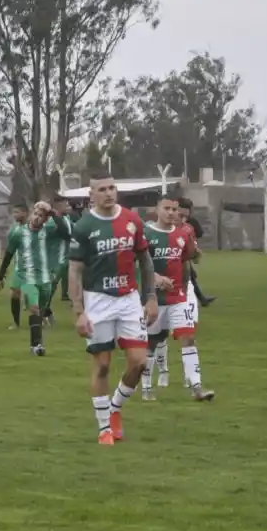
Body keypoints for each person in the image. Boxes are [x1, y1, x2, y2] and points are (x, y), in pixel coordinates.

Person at [68, 175, 158, 445]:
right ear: (91, 194)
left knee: (140, 363)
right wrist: (79, 311)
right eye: (102, 189)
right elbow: (74, 269)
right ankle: (104, 427)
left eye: (111, 188)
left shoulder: (132, 220)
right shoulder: (83, 226)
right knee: (103, 365)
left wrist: (151, 297)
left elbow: (145, 260)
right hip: (98, 301)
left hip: (129, 299)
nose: (108, 193)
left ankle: (115, 408)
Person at [141, 194, 215, 402]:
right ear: (158, 209)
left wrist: (184, 287)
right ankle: (146, 386)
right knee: (152, 343)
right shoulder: (146, 234)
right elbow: (135, 265)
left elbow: (184, 262)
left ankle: (197, 386)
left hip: (177, 298)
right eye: (167, 209)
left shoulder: (181, 235)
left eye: (175, 210)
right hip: (153, 299)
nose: (172, 213)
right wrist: (154, 278)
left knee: (188, 337)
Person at [0, 201, 70, 355]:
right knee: (34, 309)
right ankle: (36, 346)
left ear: (45, 219)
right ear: (31, 214)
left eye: (41, 216)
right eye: (35, 214)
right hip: (27, 278)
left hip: (45, 279)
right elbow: (9, 254)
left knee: (41, 312)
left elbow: (65, 234)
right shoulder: (18, 233)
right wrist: (1, 274)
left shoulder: (48, 231)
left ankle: (39, 336)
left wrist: (53, 213)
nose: (37, 218)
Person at [176, 198, 217, 306]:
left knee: (189, 276)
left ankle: (191, 299)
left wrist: (193, 249)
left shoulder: (191, 224)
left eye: (186, 215)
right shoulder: (168, 223)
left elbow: (198, 234)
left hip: (184, 256)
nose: (183, 219)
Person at [41, 196, 73, 324]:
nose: (68, 207)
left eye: (68, 205)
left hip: (67, 259)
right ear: (56, 207)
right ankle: (44, 313)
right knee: (50, 287)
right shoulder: (51, 223)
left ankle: (45, 312)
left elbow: (72, 233)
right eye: (65, 205)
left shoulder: (66, 219)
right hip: (55, 261)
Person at [5, 204, 29, 330]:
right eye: (14, 212)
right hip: (19, 268)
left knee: (33, 297)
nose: (15, 215)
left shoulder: (32, 228)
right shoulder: (14, 229)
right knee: (14, 294)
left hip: (32, 268)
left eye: (17, 212)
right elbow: (10, 249)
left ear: (25, 213)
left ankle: (44, 317)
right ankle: (16, 322)